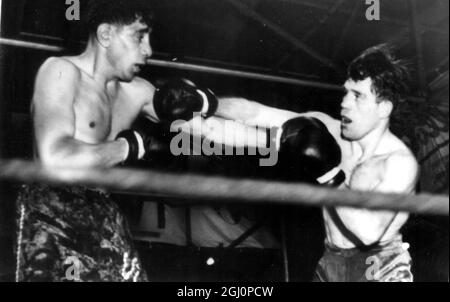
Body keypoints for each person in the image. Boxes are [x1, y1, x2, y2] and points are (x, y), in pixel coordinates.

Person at [15, 0, 218, 282]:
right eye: (139, 36)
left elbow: (212, 128)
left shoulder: (136, 91)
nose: (149, 50)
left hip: (104, 211)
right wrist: (130, 146)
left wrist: (282, 129)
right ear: (106, 35)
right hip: (52, 209)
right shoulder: (60, 71)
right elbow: (55, 158)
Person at [199, 45, 419, 282]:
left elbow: (367, 234)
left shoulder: (399, 162)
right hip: (331, 262)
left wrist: (328, 172)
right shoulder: (329, 129)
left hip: (379, 266)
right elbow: (255, 114)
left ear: (384, 107)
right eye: (346, 92)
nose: (345, 103)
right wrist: (206, 103)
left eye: (358, 96)